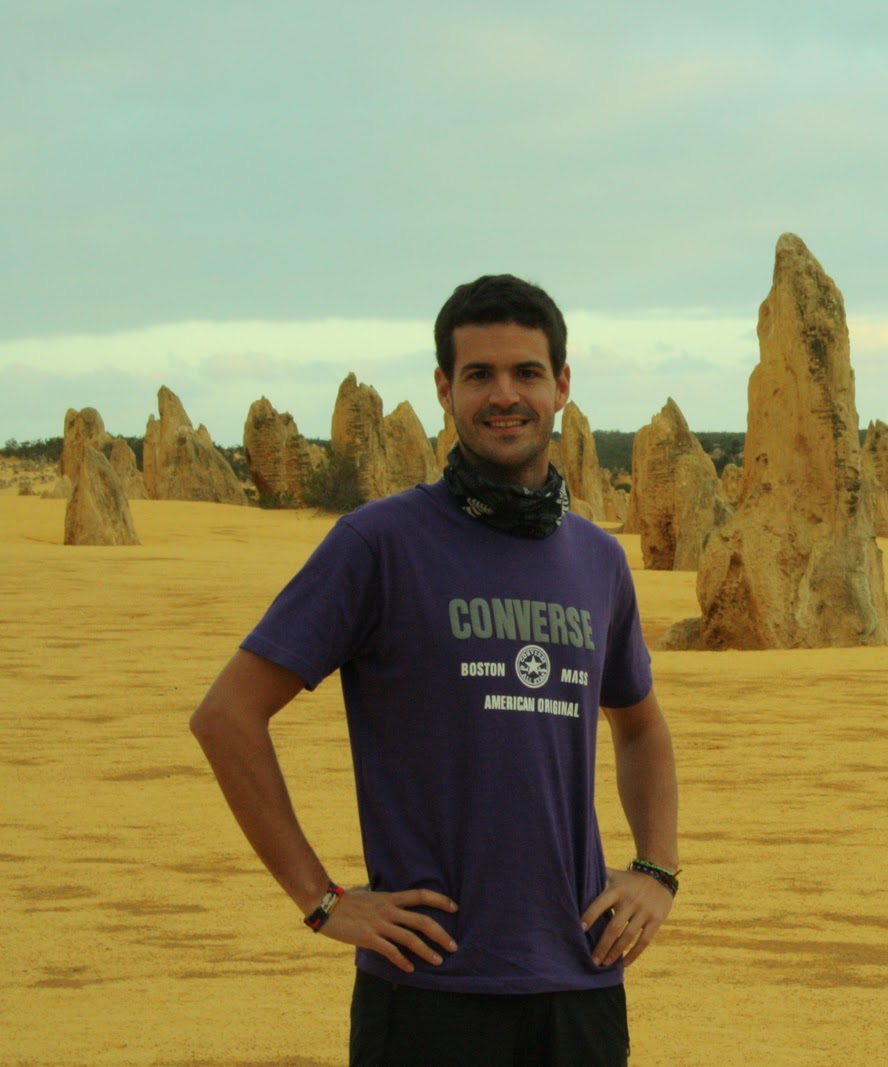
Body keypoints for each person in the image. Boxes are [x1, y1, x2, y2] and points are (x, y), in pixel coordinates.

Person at [191, 274, 679, 1066]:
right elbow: (227, 715)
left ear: (561, 385)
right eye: (479, 374)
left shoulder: (597, 559)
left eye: (525, 372)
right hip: (428, 989)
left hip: (583, 978)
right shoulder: (378, 544)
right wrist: (322, 901)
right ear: (445, 389)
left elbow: (642, 727)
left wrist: (657, 868)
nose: (503, 395)